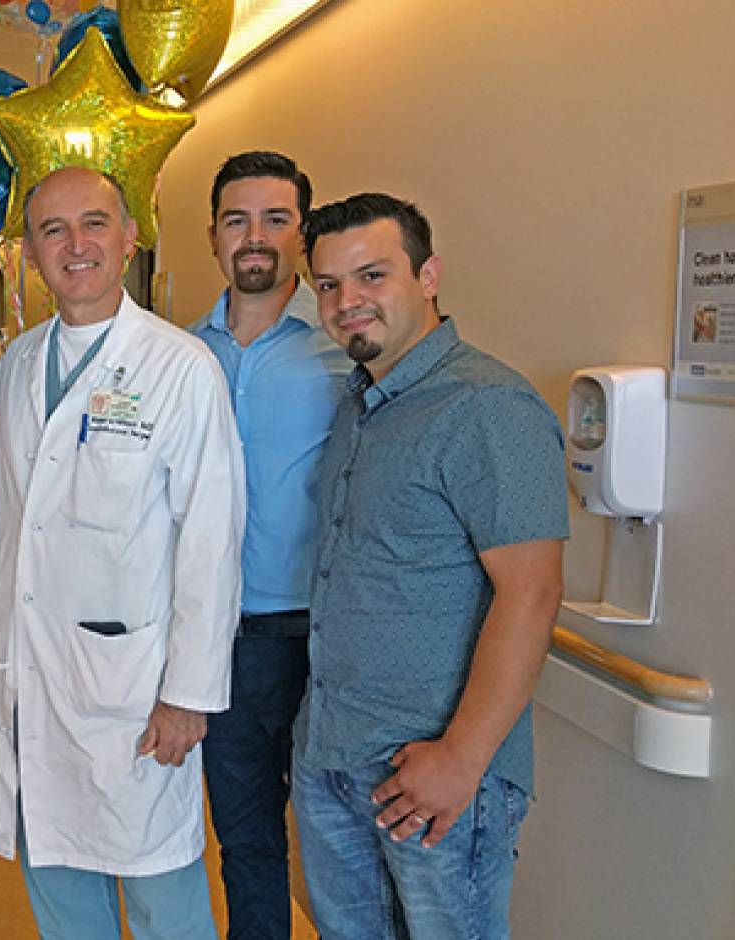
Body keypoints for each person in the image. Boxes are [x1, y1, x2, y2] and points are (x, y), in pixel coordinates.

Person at [0, 165, 246, 940]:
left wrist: (189, 692)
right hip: (32, 673)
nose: (75, 244)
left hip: (134, 684)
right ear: (29, 252)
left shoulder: (180, 367)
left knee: (162, 890)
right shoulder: (21, 363)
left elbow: (210, 539)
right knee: (57, 881)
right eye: (52, 230)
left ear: (130, 238)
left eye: (94, 223)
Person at [294, 193, 568, 940]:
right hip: (335, 756)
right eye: (328, 285)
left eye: (372, 276)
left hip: (437, 775)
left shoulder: (486, 407)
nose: (348, 302)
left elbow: (533, 591)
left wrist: (461, 758)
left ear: (429, 276)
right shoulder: (363, 402)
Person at [187, 152, 345, 940]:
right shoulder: (176, 358)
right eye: (237, 219)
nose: (256, 237)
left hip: (317, 637)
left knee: (340, 844)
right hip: (212, 638)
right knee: (246, 842)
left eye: (276, 219)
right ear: (212, 236)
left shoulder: (347, 357)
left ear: (303, 235)